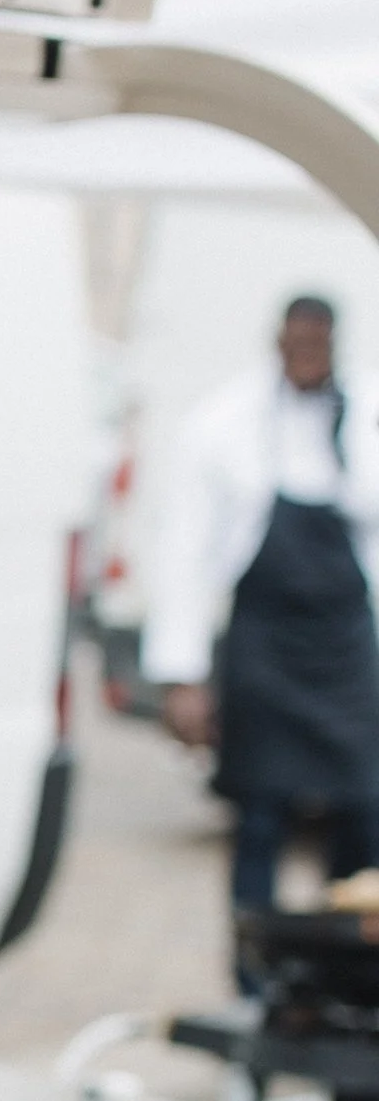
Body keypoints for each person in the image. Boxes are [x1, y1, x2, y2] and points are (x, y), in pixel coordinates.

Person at [147, 295, 379, 920]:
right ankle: (258, 978)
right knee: (261, 815)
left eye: (317, 346)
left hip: (348, 648)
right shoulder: (224, 422)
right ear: (276, 344)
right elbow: (184, 551)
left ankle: (346, 976)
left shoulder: (365, 416)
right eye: (293, 345)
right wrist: (182, 673)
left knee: (362, 811)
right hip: (264, 647)